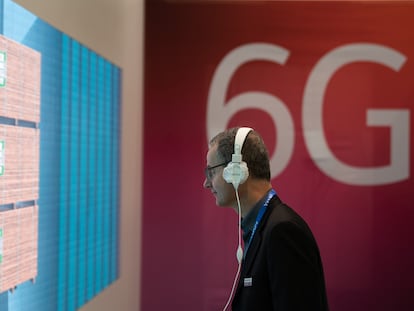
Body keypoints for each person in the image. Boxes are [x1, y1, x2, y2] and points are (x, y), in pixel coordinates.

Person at [203, 127, 329, 311]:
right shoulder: (263, 227)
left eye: (211, 172)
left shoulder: (283, 231)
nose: (206, 183)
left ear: (237, 171)